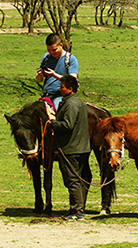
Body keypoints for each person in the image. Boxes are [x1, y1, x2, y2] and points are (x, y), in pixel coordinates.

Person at [51, 75, 91, 221]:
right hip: (82, 147)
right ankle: (78, 209)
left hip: (71, 148)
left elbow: (67, 125)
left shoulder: (71, 104)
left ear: (70, 89)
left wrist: (53, 121)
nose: (60, 90)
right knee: (80, 179)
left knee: (72, 180)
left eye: (62, 87)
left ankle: (77, 212)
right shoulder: (78, 102)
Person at [35, 33, 78, 110]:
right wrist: (40, 75)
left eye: (54, 49)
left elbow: (72, 80)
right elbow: (39, 80)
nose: (51, 52)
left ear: (61, 45)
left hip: (61, 96)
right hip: (46, 95)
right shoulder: (46, 57)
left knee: (57, 107)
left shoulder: (71, 59)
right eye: (49, 50)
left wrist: (54, 75)